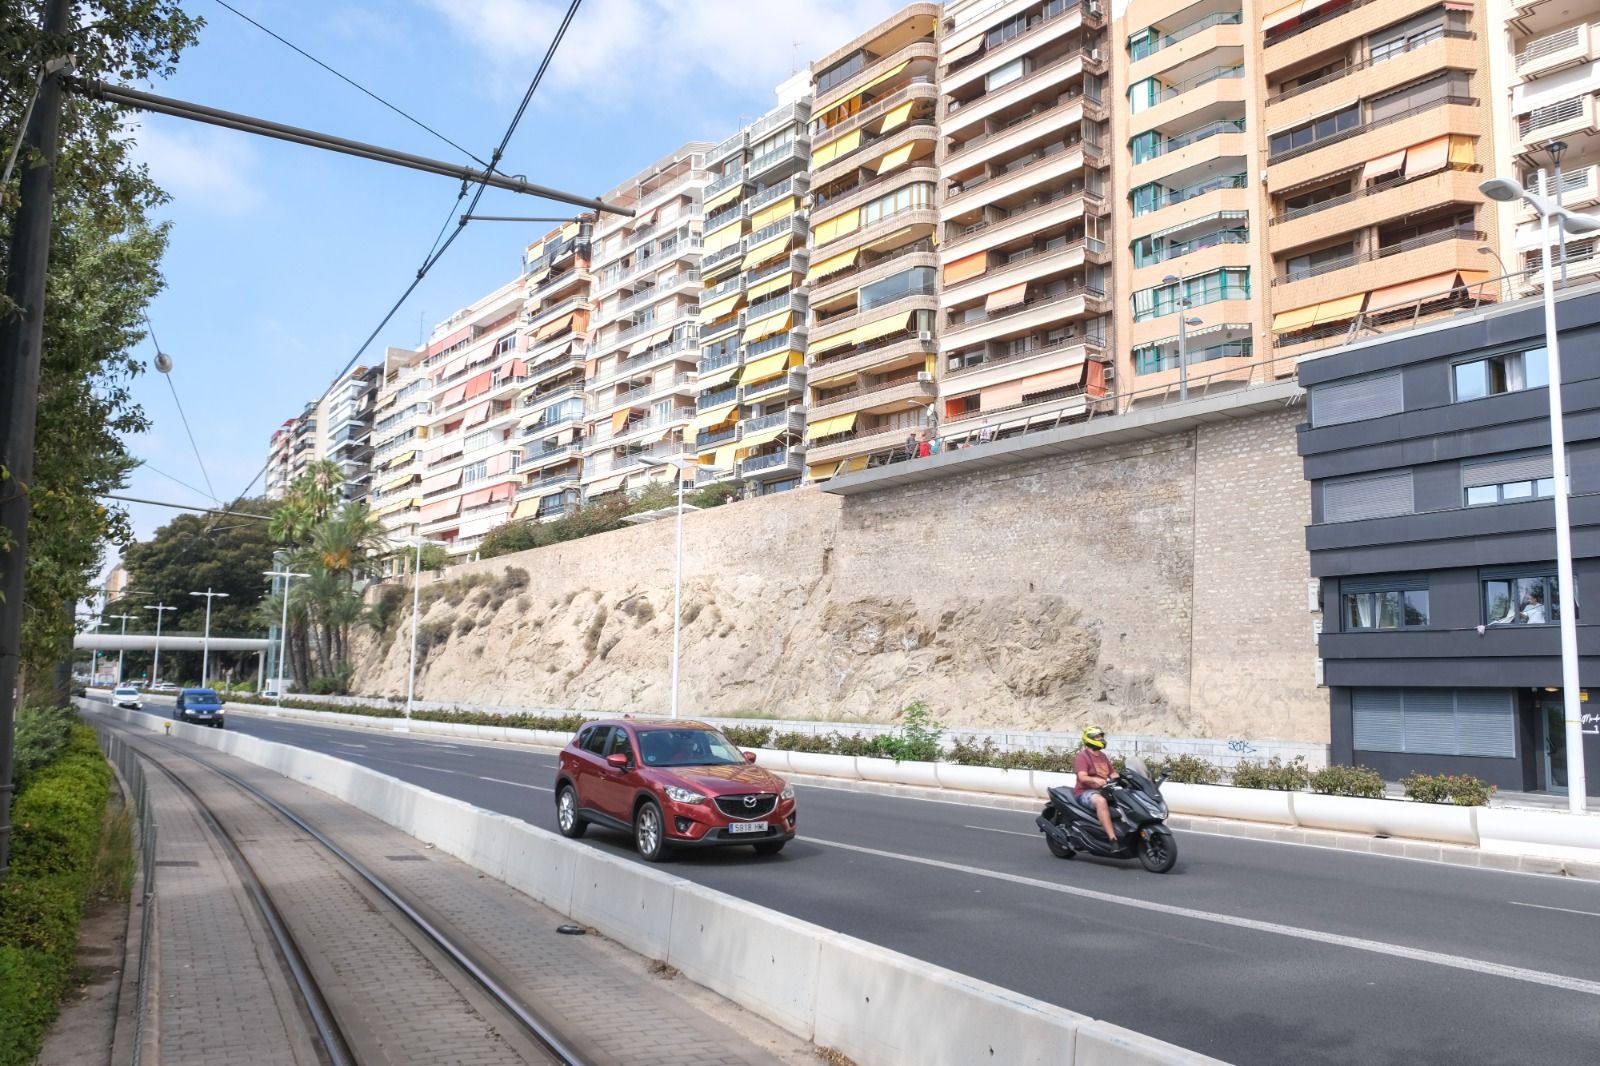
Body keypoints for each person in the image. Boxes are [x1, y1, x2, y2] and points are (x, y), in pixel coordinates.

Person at [1072, 725, 1120, 844]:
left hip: (1103, 790)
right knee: (1101, 801)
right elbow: (1082, 777)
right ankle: (1112, 838)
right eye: (1097, 737)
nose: (1101, 739)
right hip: (1085, 792)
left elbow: (1112, 773)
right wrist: (1095, 780)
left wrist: (1124, 777)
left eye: (1101, 736)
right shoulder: (1082, 757)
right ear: (1090, 739)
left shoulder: (1102, 756)